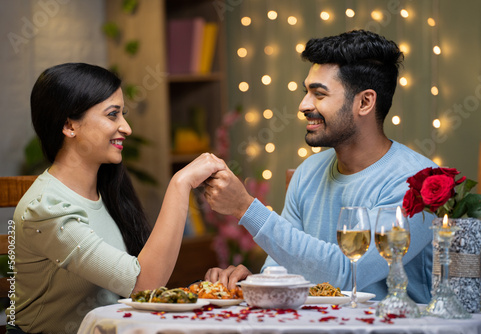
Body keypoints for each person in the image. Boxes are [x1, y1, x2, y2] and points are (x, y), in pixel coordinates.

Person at [203, 30, 438, 304]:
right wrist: (254, 282)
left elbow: (346, 272)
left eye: (319, 94)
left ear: (364, 102)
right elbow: (282, 269)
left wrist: (246, 207)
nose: (304, 105)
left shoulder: (418, 184)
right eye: (307, 92)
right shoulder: (308, 172)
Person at [11, 63, 226, 333]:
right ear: (69, 125)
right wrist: (180, 184)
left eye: (122, 114)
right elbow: (143, 283)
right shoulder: (45, 208)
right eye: (112, 115)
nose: (126, 128)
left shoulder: (109, 189)